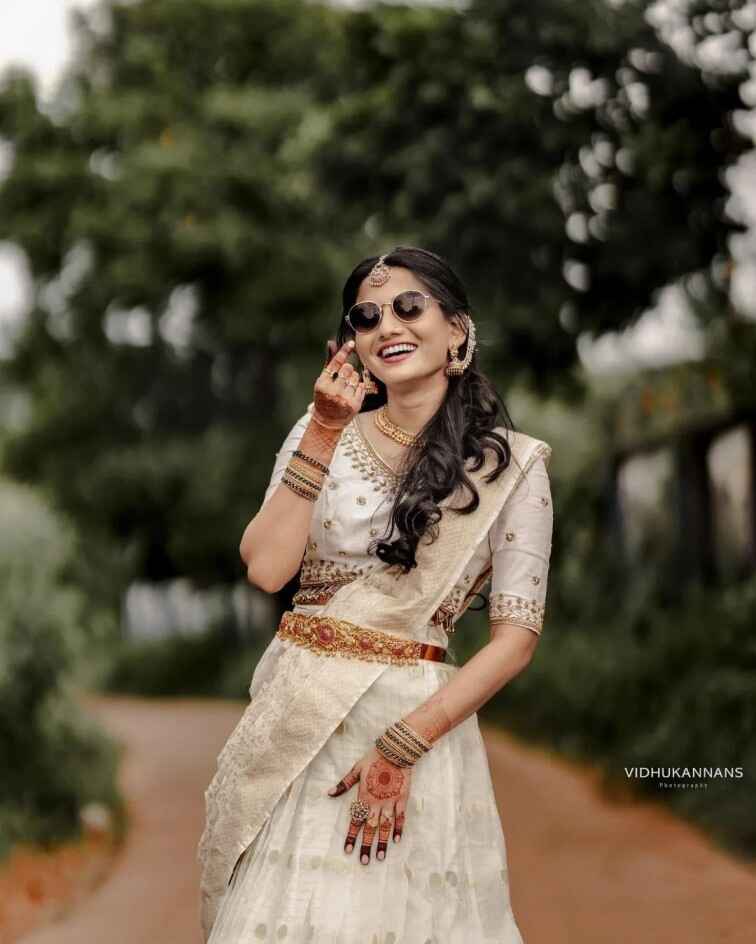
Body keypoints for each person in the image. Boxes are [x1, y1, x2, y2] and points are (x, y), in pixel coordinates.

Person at [197, 246, 554, 943]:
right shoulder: (319, 431)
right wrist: (325, 430)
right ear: (351, 343)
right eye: (366, 316)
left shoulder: (509, 467)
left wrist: (403, 743)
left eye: (408, 307)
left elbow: (515, 640)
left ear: (457, 330)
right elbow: (267, 570)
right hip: (301, 718)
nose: (386, 325)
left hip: (417, 724)